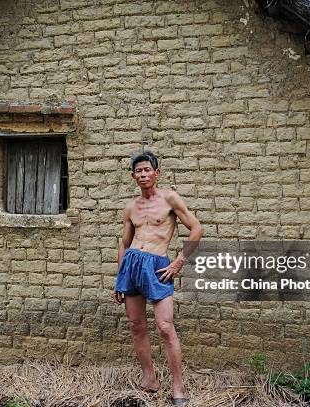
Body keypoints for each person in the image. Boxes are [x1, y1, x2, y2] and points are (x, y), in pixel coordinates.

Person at [112, 151, 203, 407]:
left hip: (158, 266)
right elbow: (125, 243)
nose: (143, 175)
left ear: (156, 173)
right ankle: (149, 378)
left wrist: (179, 261)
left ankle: (178, 387)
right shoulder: (131, 207)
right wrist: (120, 277)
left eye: (147, 170)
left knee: (165, 327)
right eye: (138, 171)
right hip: (131, 266)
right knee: (136, 325)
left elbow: (197, 229)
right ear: (133, 176)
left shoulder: (170, 198)